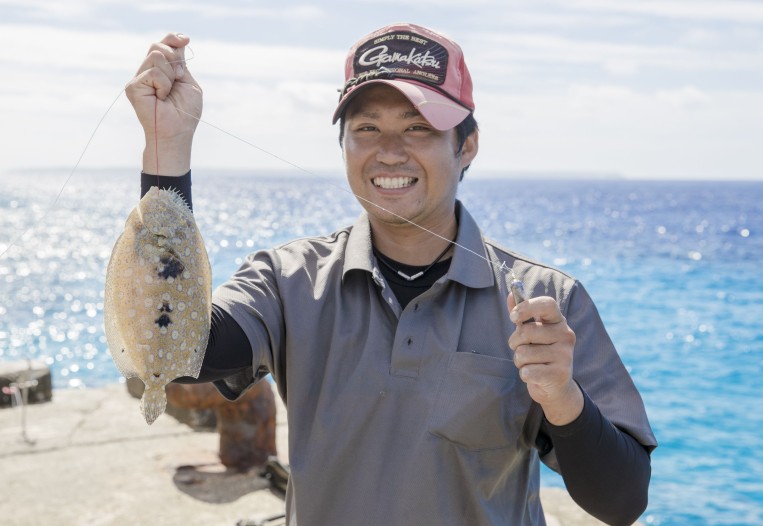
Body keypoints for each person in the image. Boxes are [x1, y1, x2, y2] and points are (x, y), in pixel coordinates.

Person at [125, 23, 657, 526]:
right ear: (344, 146)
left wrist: (562, 396)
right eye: (366, 128)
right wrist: (166, 151)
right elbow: (173, 352)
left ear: (466, 145)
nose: (389, 151)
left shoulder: (547, 299)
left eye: (418, 128)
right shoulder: (286, 279)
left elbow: (622, 501)